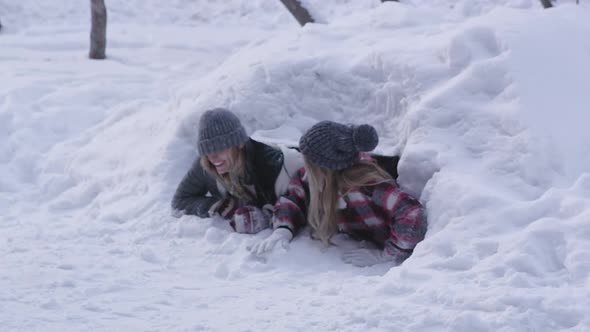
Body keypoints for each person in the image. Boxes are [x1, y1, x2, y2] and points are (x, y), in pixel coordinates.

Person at [251, 121, 427, 267]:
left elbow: (412, 215)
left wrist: (387, 255)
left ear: (323, 167)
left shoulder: (366, 186)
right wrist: (282, 230)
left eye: (309, 163)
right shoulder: (316, 179)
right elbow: (293, 197)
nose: (306, 169)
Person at [171, 108, 302, 234]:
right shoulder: (206, 166)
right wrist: (225, 206)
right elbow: (179, 202)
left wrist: (270, 216)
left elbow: (310, 206)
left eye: (219, 148)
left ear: (240, 144)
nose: (212, 157)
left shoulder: (283, 167)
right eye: (207, 150)